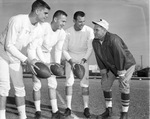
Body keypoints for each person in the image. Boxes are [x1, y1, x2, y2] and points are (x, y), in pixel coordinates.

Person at [0, 0, 50, 119]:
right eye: (45, 13)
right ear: (37, 11)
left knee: (20, 88)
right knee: (4, 87)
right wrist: (27, 60)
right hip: (2, 53)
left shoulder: (39, 29)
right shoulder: (17, 20)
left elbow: (31, 49)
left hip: (15, 56)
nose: (47, 16)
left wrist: (34, 61)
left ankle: (23, 117)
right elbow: (8, 45)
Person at [92, 19, 136, 119]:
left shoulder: (113, 39)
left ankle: (124, 114)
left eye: (96, 30)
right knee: (105, 84)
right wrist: (103, 73)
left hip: (125, 64)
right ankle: (108, 111)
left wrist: (121, 75)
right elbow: (98, 57)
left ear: (104, 30)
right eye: (94, 30)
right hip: (112, 66)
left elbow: (120, 56)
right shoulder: (95, 42)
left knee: (124, 85)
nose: (94, 32)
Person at [27, 10, 67, 119]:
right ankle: (38, 111)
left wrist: (57, 64)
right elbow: (37, 46)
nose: (64, 24)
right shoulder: (43, 26)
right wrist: (43, 63)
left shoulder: (62, 33)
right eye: (62, 21)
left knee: (52, 83)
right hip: (36, 54)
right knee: (37, 85)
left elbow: (58, 50)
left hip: (48, 56)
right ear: (55, 19)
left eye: (65, 22)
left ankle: (55, 112)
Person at [62, 11, 94, 118]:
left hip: (83, 57)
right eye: (80, 21)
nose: (82, 23)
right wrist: (71, 61)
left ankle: (86, 107)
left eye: (84, 21)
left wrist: (84, 60)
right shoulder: (67, 32)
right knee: (69, 82)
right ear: (74, 21)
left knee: (85, 84)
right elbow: (64, 49)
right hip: (70, 56)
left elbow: (90, 48)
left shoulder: (89, 31)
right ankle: (68, 107)